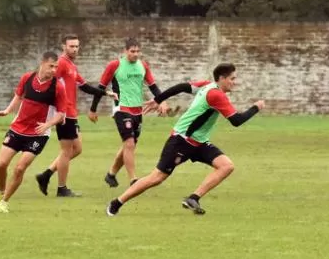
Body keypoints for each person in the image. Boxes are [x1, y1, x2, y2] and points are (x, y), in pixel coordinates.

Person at [105, 63, 265, 217]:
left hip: (199, 142)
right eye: (232, 79)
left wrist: (159, 99)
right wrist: (256, 107)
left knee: (226, 166)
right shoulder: (216, 94)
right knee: (156, 178)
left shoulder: (206, 85)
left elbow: (181, 87)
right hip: (181, 141)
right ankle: (117, 203)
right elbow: (236, 120)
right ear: (222, 78)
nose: (234, 82)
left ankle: (193, 198)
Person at [34, 34, 114, 197]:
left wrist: (105, 93)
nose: (75, 49)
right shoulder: (61, 63)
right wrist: (53, 108)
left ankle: (46, 175)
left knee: (77, 149)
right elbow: (49, 81)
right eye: (71, 46)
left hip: (72, 113)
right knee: (66, 151)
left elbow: (84, 86)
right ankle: (62, 188)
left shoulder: (72, 66)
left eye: (77, 46)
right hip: (64, 113)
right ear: (64, 47)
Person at [0, 52, 68, 213]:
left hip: (38, 134)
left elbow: (61, 115)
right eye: (51, 66)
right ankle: (1, 191)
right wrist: (7, 110)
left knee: (19, 168)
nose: (54, 70)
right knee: (1, 164)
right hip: (17, 128)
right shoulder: (27, 78)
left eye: (56, 67)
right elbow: (18, 96)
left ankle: (5, 201)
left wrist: (48, 124)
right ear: (42, 63)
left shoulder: (58, 87)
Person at [89, 38, 165, 187]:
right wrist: (93, 109)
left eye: (138, 51)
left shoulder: (143, 66)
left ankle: (111, 174)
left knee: (128, 145)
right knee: (129, 143)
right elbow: (100, 87)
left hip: (138, 111)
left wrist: (162, 100)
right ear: (125, 51)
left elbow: (153, 87)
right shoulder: (115, 65)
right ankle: (133, 180)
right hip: (121, 109)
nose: (135, 54)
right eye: (132, 51)